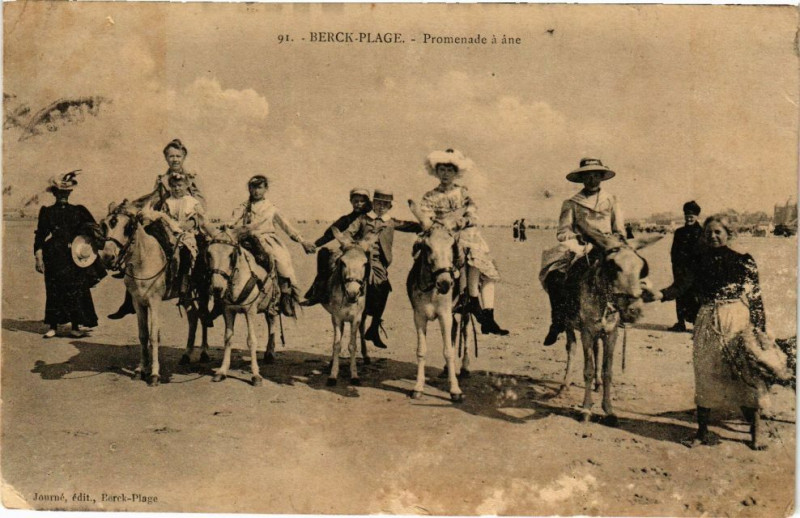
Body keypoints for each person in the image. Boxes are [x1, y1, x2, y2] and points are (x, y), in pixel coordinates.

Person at [644, 215, 772, 450]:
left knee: (746, 374)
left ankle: (756, 434)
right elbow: (680, 287)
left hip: (737, 320)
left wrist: (760, 331)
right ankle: (702, 432)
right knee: (705, 372)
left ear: (728, 234)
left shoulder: (744, 261)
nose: (713, 236)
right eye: (709, 232)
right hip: (707, 321)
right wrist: (658, 295)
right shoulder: (696, 261)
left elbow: (756, 299)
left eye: (718, 232)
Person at [108, 138, 205, 319]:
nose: (174, 159)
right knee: (138, 243)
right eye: (170, 156)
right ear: (165, 158)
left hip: (187, 225)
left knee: (197, 254)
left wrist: (191, 223)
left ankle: (188, 289)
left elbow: (201, 204)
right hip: (164, 222)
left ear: (184, 157)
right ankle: (129, 297)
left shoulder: (191, 178)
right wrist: (136, 208)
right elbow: (152, 199)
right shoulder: (162, 180)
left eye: (178, 156)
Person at [419, 149, 508, 335]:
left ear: (455, 173)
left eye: (449, 171)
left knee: (486, 268)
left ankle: (486, 313)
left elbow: (472, 212)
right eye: (441, 170)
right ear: (436, 172)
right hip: (442, 236)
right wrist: (439, 225)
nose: (445, 174)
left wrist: (463, 221)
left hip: (466, 233)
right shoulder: (429, 196)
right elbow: (426, 218)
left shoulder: (463, 193)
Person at [539, 158, 624, 346]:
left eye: (596, 176)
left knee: (627, 273)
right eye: (588, 176)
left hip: (607, 247)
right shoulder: (572, 203)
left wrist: (613, 240)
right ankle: (559, 320)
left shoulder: (611, 200)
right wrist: (576, 238)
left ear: (601, 177)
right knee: (557, 276)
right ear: (582, 179)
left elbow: (619, 229)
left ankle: (624, 313)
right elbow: (562, 231)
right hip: (582, 246)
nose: (592, 180)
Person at [342, 189, 422, 348]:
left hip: (379, 262)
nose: (381, 207)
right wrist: (353, 244)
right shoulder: (363, 219)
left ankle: (374, 326)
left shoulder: (391, 222)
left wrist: (427, 223)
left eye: (385, 204)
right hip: (362, 257)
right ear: (373, 204)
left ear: (390, 206)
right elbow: (348, 233)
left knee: (383, 288)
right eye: (378, 203)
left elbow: (411, 226)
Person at [34, 170, 106, 338]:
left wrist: (92, 244)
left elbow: (94, 229)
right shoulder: (47, 211)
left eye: (66, 192)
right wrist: (38, 256)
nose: (63, 195)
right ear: (54, 193)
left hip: (75, 255)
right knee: (53, 289)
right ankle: (53, 326)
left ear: (70, 193)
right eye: (60, 192)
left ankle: (75, 327)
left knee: (76, 290)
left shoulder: (79, 210)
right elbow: (40, 235)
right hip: (53, 255)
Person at [231, 175, 315, 317]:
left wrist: (302, 241)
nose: (256, 191)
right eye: (253, 187)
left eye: (259, 187)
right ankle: (221, 300)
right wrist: (229, 224)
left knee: (282, 263)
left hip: (267, 239)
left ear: (265, 189)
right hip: (246, 239)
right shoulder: (244, 206)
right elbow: (233, 219)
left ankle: (285, 297)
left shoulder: (271, 208)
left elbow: (287, 226)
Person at [141, 173, 211, 302]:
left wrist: (189, 224)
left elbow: (201, 218)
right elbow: (164, 217)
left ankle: (183, 284)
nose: (177, 189)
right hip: (170, 232)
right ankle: (161, 279)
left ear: (186, 186)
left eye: (180, 185)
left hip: (187, 234)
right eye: (173, 186)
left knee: (185, 252)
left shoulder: (192, 201)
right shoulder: (168, 202)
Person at [302, 188, 372, 307]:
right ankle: (319, 290)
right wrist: (316, 244)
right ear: (351, 201)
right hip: (347, 250)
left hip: (364, 251)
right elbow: (330, 233)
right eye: (355, 201)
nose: (358, 204)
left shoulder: (370, 219)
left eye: (361, 201)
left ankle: (371, 299)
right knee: (324, 254)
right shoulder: (346, 219)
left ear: (367, 202)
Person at [668, 200, 703, 332]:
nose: (689, 218)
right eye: (687, 215)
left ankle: (697, 325)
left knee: (696, 298)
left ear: (697, 216)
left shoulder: (702, 232)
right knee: (680, 296)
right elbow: (674, 252)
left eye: (692, 216)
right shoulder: (679, 232)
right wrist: (676, 268)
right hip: (680, 270)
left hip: (696, 272)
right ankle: (680, 323)